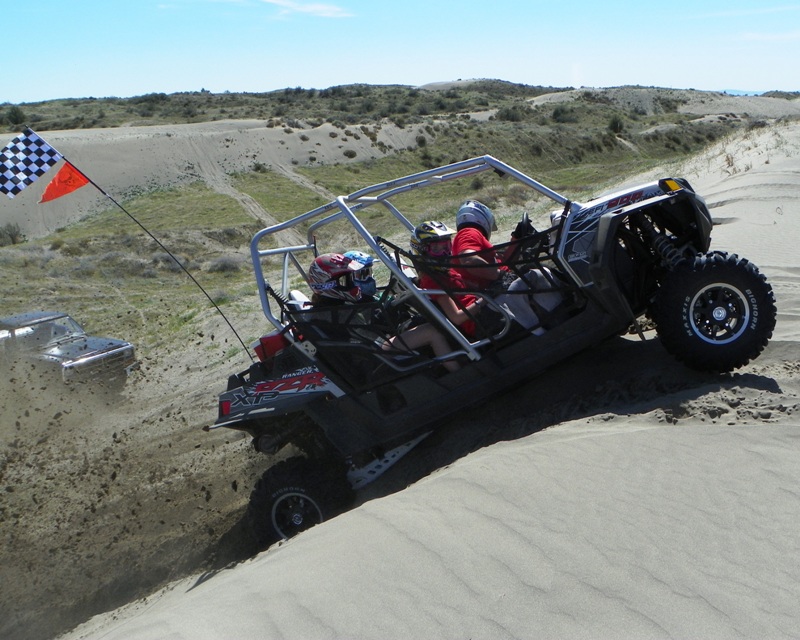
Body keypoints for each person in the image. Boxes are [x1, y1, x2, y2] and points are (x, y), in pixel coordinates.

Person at [452, 200, 561, 334]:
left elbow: (503, 265)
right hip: (490, 301)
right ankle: (560, 320)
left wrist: (516, 239)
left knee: (532, 270)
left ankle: (555, 320)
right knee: (538, 274)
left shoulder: (470, 237)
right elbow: (468, 260)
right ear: (482, 219)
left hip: (492, 296)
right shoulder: (468, 233)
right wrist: (501, 276)